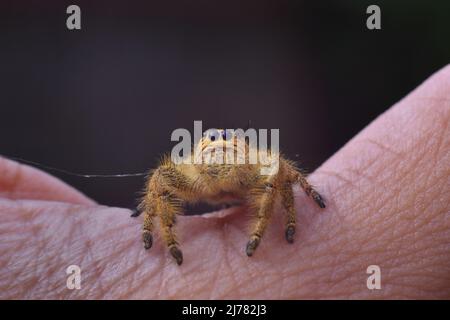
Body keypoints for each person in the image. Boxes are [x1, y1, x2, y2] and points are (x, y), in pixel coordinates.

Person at [0, 65, 449, 299]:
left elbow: (279, 170)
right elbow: (160, 182)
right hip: (196, 195)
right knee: (159, 180)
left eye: (230, 142)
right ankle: (166, 239)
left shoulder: (256, 162)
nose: (219, 147)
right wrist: (151, 226)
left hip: (252, 194)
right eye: (210, 143)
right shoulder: (187, 171)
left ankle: (263, 232)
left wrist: (298, 202)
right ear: (196, 151)